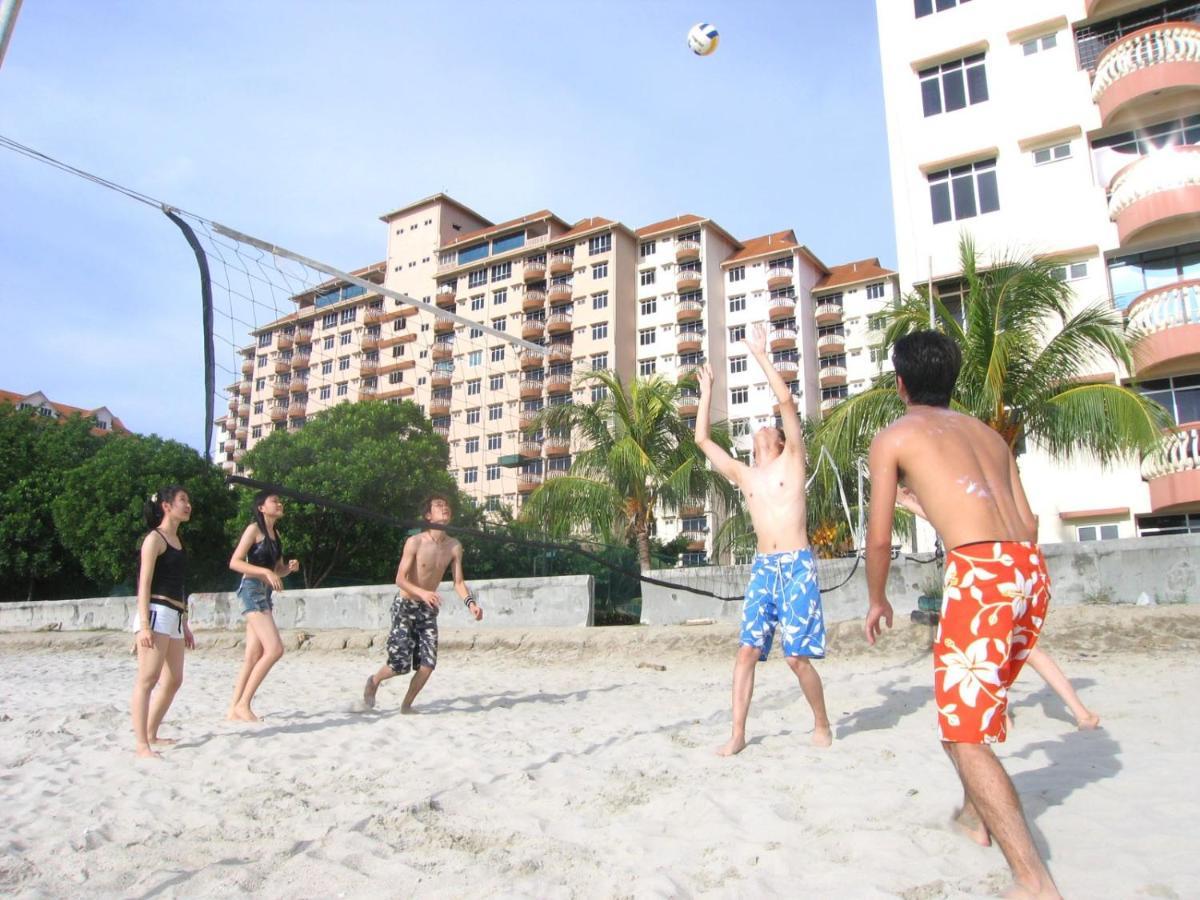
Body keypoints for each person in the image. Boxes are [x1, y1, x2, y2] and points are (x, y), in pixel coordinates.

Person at [864, 330, 1061, 899]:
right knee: (972, 713)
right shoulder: (989, 437)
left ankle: (1033, 881)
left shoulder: (895, 436)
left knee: (963, 733)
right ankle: (978, 819)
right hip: (1028, 573)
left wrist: (878, 598)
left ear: (901, 384)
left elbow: (879, 540)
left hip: (981, 578)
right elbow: (1026, 526)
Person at [694, 323, 832, 757]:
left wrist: (759, 354)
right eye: (762, 427)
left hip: (796, 565)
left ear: (776, 439)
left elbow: (786, 401)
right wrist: (707, 391)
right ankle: (737, 733)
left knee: (796, 658)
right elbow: (701, 440)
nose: (764, 426)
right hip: (763, 569)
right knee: (746, 653)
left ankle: (821, 722)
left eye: (770, 426)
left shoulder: (793, 460)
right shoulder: (745, 475)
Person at [897, 487, 1100, 731]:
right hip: (1024, 568)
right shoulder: (998, 491)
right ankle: (1079, 712)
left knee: (993, 648)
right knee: (1026, 649)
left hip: (991, 576)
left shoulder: (973, 496)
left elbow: (951, 522)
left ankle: (1002, 714)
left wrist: (909, 503)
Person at [363, 495, 482, 713]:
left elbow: (458, 582)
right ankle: (374, 681)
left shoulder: (454, 546)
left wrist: (471, 603)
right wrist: (423, 592)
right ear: (428, 516)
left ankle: (406, 706)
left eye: (446, 505)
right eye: (439, 505)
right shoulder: (415, 542)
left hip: (427, 609)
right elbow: (400, 579)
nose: (444, 507)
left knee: (428, 664)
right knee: (399, 666)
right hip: (405, 605)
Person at [131, 486, 195, 759]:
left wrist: (186, 622)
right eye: (183, 500)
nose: (188, 505)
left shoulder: (179, 542)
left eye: (188, 500)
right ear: (167, 506)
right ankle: (142, 744)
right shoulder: (154, 539)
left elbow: (178, 585)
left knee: (174, 680)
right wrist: (144, 625)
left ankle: (152, 732)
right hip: (156, 613)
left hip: (175, 616)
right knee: (148, 679)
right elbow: (143, 584)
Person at [227, 491, 300, 722]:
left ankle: (233, 710)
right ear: (261, 507)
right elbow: (235, 562)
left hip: (264, 592)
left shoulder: (275, 534)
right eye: (274, 501)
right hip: (252, 590)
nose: (280, 504)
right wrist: (266, 572)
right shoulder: (253, 529)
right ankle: (244, 704)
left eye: (280, 500)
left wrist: (288, 568)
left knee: (253, 655)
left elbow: (277, 570)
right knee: (275, 649)